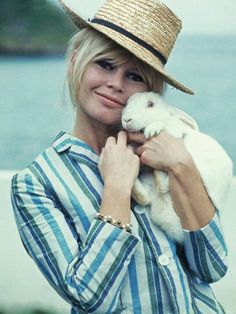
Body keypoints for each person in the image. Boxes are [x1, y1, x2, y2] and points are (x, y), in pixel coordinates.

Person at [11, 0, 227, 313]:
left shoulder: (170, 153)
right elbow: (87, 297)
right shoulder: (36, 185)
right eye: (105, 65)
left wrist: (182, 167)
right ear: (75, 62)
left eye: (135, 76)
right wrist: (116, 190)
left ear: (150, 91)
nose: (115, 84)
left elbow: (212, 267)